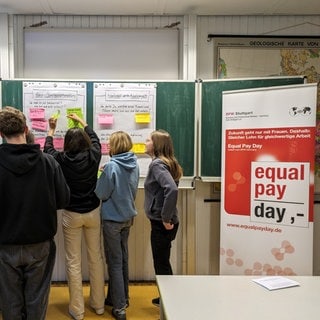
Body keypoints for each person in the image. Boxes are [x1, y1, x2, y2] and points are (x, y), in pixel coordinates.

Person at [0, 106, 70, 320]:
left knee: (9, 301)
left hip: (4, 245)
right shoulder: (48, 162)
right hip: (40, 244)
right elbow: (63, 199)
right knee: (37, 300)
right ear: (26, 128)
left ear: (1, 134)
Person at [43, 113, 105, 320]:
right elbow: (95, 139)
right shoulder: (94, 155)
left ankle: (77, 310)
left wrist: (51, 129)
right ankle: (98, 305)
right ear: (86, 142)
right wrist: (84, 123)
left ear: (67, 143)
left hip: (71, 214)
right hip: (93, 212)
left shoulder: (61, 159)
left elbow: (48, 151)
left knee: (73, 261)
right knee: (95, 257)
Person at [95, 131, 139, 320]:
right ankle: (121, 297)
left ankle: (119, 308)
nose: (108, 147)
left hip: (112, 220)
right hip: (127, 217)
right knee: (123, 259)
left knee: (114, 262)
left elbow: (101, 193)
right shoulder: (134, 163)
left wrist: (101, 175)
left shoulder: (112, 166)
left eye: (110, 144)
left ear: (115, 146)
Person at [144, 129, 183, 307]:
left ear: (156, 145)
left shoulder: (157, 165)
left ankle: (168, 301)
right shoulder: (169, 162)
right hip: (166, 222)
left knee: (160, 264)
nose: (145, 142)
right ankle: (168, 297)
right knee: (163, 262)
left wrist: (165, 218)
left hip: (163, 223)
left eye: (148, 140)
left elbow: (172, 190)